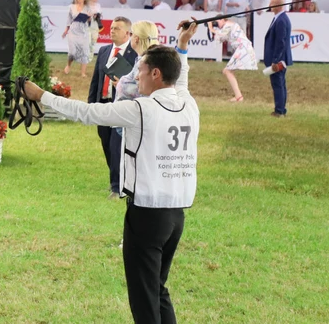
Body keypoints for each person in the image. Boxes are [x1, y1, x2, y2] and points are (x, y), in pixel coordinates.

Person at [22, 28, 199, 324]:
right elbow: (181, 78)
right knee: (157, 289)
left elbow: (87, 112)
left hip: (147, 214)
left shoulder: (140, 109)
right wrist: (182, 46)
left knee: (144, 299)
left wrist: (42, 95)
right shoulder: (188, 103)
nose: (135, 76)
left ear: (155, 74)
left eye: (140, 70)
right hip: (176, 215)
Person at [87, 16, 138, 198]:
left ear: (128, 33)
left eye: (117, 28)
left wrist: (123, 87)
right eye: (112, 27)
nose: (112, 30)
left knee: (117, 145)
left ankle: (117, 188)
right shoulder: (104, 51)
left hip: (121, 106)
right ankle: (115, 179)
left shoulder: (135, 54)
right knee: (106, 143)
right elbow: (96, 80)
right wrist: (91, 105)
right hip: (103, 104)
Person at [213, 19, 258, 103]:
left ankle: (239, 97)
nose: (217, 24)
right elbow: (218, 40)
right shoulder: (227, 27)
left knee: (227, 71)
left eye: (218, 21)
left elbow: (220, 35)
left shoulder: (228, 24)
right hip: (242, 48)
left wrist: (211, 27)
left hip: (243, 48)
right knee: (228, 71)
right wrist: (213, 30)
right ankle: (238, 96)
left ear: (223, 20)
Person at [263, 0, 292, 117]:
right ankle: (281, 108)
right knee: (280, 83)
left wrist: (275, 60)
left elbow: (281, 42)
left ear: (278, 5)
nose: (270, 6)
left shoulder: (281, 20)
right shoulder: (280, 18)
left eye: (272, 3)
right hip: (280, 58)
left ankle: (279, 110)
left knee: (278, 84)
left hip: (279, 59)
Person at [62, 0, 92, 79]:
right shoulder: (71, 7)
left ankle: (83, 73)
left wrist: (89, 18)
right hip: (73, 30)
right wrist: (66, 30)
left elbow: (90, 22)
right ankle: (68, 65)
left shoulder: (88, 8)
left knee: (84, 51)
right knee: (72, 51)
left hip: (83, 31)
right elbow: (69, 19)